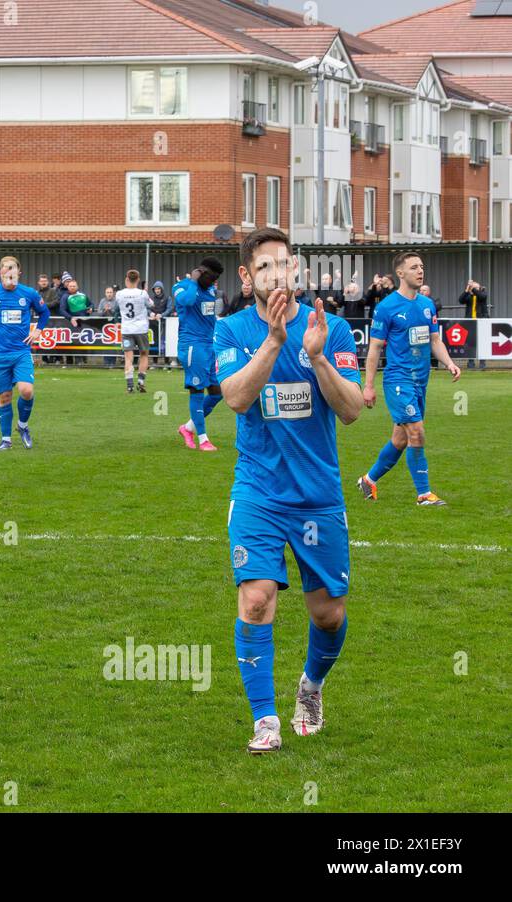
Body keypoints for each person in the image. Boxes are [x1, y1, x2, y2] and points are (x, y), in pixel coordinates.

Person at [214, 226, 364, 754]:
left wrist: (317, 356)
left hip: (318, 494)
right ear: (246, 276)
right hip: (258, 490)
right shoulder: (231, 331)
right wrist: (274, 342)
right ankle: (265, 721)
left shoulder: (333, 328)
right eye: (264, 268)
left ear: (296, 269)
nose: (275, 275)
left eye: (282, 265)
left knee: (329, 613)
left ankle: (312, 686)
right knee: (255, 600)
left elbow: (350, 411)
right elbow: (234, 398)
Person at [356, 251, 461, 506]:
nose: (420, 270)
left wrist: (449, 363)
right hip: (397, 380)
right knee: (417, 432)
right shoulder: (386, 308)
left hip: (420, 381)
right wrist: (368, 386)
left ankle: (368, 480)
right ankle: (424, 494)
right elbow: (375, 348)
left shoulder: (426, 306)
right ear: (400, 273)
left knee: (400, 439)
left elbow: (435, 341)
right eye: (414, 267)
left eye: (422, 267)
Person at [0, 256, 49, 451]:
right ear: (0, 273)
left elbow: (44, 312)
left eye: (12, 269)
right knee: (4, 396)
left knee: (26, 391)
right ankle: (6, 440)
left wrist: (38, 330)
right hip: (0, 354)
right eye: (6, 269)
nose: (9, 273)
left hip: (21, 352)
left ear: (18, 273)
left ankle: (22, 426)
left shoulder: (28, 293)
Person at [173, 257, 225, 451]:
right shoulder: (182, 286)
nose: (214, 283)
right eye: (211, 278)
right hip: (192, 346)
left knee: (217, 393)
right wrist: (194, 282)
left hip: (209, 346)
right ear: (200, 272)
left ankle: (187, 428)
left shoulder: (210, 289)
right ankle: (203, 439)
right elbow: (187, 301)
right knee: (197, 390)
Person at [117, 268, 155, 393]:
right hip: (141, 329)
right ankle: (141, 380)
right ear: (138, 279)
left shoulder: (119, 294)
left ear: (126, 279)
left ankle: (129, 385)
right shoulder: (142, 294)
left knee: (128, 357)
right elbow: (151, 305)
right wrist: (145, 292)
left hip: (127, 329)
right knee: (144, 354)